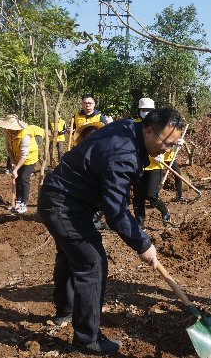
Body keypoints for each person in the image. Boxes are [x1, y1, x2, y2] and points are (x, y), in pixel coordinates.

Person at [38, 108, 183, 355]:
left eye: (173, 144)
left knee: (70, 255)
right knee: (92, 263)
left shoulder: (129, 126)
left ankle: (66, 309)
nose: (168, 150)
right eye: (166, 143)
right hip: (64, 204)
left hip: (62, 196)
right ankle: (87, 338)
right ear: (149, 131)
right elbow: (116, 211)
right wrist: (142, 244)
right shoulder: (123, 155)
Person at [133, 98, 186, 225]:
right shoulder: (135, 125)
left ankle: (164, 211)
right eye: (143, 110)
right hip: (138, 165)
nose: (145, 112)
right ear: (139, 111)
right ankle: (140, 222)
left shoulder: (163, 125)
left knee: (151, 194)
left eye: (148, 110)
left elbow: (167, 143)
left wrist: (173, 145)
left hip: (155, 164)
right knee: (138, 196)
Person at [0, 114, 39, 214]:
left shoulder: (25, 135)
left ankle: (24, 203)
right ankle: (17, 201)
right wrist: (12, 160)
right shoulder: (7, 132)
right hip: (17, 157)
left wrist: (15, 169)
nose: (8, 128)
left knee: (23, 178)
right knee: (17, 178)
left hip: (29, 158)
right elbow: (8, 147)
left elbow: (25, 154)